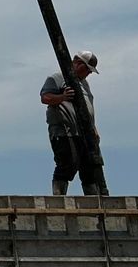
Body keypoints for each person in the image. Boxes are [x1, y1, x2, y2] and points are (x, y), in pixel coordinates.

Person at [42, 49, 107, 196]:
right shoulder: (58, 77)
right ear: (77, 63)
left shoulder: (84, 84)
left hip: (83, 132)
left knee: (88, 166)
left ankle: (92, 201)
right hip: (64, 131)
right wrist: (62, 97)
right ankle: (58, 197)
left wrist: (93, 129)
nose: (89, 73)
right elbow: (45, 97)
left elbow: (87, 108)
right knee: (67, 163)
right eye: (87, 69)